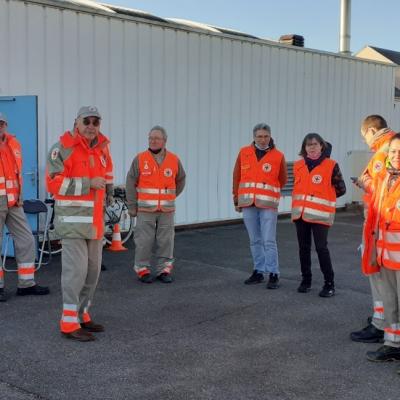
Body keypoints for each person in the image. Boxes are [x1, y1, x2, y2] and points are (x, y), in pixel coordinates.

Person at [46, 106, 114, 342]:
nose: (91, 126)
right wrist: (88, 184)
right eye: (87, 121)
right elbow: (53, 184)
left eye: (96, 122)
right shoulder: (62, 149)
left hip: (95, 223)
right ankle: (68, 323)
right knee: (76, 273)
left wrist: (110, 193)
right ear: (77, 122)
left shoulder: (103, 149)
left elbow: (107, 177)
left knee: (93, 272)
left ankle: (82, 314)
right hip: (73, 224)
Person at [350, 115, 396, 343]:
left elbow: (379, 188)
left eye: (364, 136)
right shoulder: (390, 147)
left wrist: (362, 182)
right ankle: (383, 321)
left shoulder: (383, 150)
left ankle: (381, 325)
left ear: (370, 130)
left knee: (379, 278)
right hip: (383, 224)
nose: (365, 141)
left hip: (380, 225)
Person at [126, 125, 186, 284]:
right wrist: (132, 206)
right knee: (143, 241)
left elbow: (181, 180)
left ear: (164, 141)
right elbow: (130, 182)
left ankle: (164, 270)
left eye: (156, 138)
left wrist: (170, 196)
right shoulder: (140, 159)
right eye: (150, 138)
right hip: (145, 210)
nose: (153, 141)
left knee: (166, 241)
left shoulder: (174, 159)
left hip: (166, 210)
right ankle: (142, 269)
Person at [0, 112, 49, 302]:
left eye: (2, 123)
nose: (0, 126)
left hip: (14, 201)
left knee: (27, 239)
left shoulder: (14, 143)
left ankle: (26, 283)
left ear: (6, 125)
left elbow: (16, 173)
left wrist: (19, 195)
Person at [232, 123, 287, 289]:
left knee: (269, 240)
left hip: (268, 204)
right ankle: (258, 270)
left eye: (266, 136)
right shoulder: (244, 153)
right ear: (254, 137)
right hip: (248, 203)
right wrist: (236, 199)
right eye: (259, 136)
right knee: (254, 240)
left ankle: (273, 273)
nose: (263, 140)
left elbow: (282, 178)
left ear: (270, 137)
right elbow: (237, 177)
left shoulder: (278, 156)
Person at [291, 133, 346, 297]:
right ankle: (306, 280)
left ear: (322, 146)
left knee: (321, 248)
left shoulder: (331, 165)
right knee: (303, 248)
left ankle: (329, 284)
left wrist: (324, 196)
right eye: (308, 145)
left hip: (320, 215)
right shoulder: (298, 165)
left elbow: (341, 189)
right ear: (304, 148)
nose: (312, 147)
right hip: (301, 215)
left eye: (315, 144)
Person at [363, 133, 400, 363]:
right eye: (394, 151)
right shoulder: (386, 178)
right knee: (390, 303)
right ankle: (393, 344)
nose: (397, 156)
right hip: (386, 255)